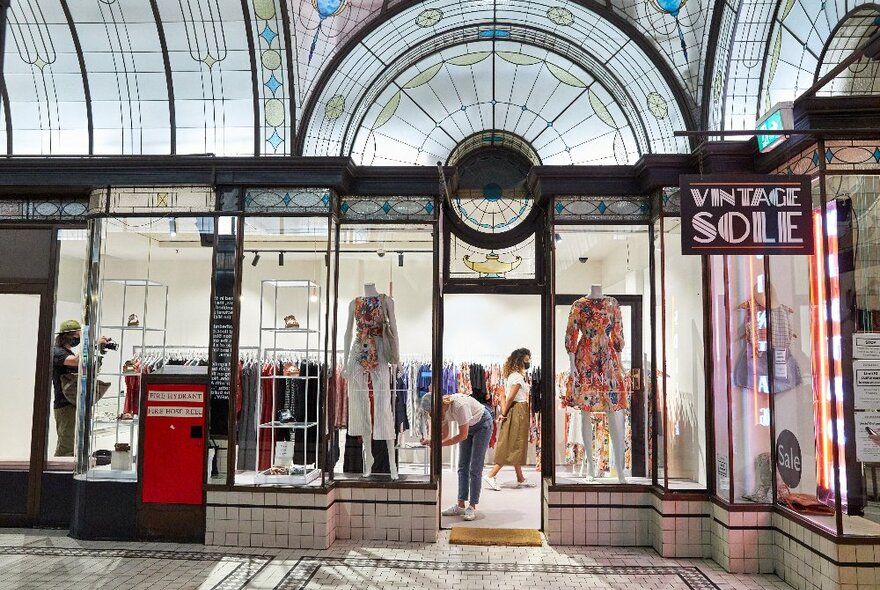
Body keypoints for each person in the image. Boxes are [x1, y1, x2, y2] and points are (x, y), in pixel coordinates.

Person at [420, 391, 493, 521]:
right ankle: (460, 505)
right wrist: (431, 441)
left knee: (475, 467)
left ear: (439, 405)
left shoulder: (459, 406)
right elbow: (445, 435)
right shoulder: (442, 411)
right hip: (468, 426)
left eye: (432, 411)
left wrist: (439, 445)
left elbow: (462, 435)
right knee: (462, 466)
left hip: (482, 424)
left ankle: (472, 506)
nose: (432, 415)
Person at [52, 320, 107, 457]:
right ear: (68, 335)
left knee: (76, 445)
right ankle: (58, 476)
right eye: (77, 335)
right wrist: (93, 344)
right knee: (67, 446)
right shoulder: (57, 352)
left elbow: (86, 370)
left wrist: (98, 353)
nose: (79, 338)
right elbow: (76, 361)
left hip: (74, 402)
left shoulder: (68, 352)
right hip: (65, 405)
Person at [484, 348, 535, 491]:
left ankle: (520, 478)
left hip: (516, 410)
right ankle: (491, 474)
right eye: (526, 360)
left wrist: (504, 411)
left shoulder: (512, 376)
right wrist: (504, 413)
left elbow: (505, 396)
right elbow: (511, 397)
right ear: (519, 361)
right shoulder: (517, 377)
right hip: (518, 411)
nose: (528, 362)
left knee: (515, 443)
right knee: (513, 443)